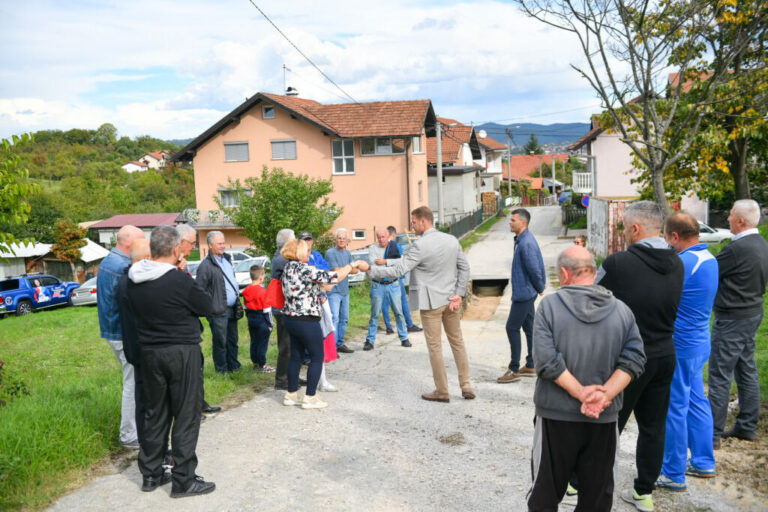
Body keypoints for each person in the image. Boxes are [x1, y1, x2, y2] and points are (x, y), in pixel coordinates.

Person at [527, 245, 645, 511]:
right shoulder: (622, 311)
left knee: (545, 493)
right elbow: (635, 359)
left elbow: (546, 361)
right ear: (593, 272)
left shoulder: (549, 307)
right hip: (603, 418)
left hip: (556, 417)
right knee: (596, 497)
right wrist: (604, 395)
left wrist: (582, 393)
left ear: (565, 274)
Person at [597, 201, 684, 512]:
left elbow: (592, 302)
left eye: (624, 226)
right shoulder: (678, 262)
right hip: (664, 354)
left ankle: (583, 482)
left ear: (635, 229)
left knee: (608, 423)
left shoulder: (618, 263)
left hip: (627, 360)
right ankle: (643, 491)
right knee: (653, 425)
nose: (622, 232)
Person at [126, 226, 215, 498]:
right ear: (177, 250)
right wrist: (183, 273)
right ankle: (184, 480)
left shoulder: (132, 279)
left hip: (149, 352)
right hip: (180, 351)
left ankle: (151, 474)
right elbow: (207, 306)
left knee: (155, 413)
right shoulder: (179, 280)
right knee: (186, 414)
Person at [367, 206, 474, 403]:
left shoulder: (420, 245)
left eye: (414, 222)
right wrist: (459, 294)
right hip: (451, 300)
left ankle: (442, 390)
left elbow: (400, 270)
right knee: (457, 342)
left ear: (423, 222)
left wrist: (371, 270)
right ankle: (466, 385)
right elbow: (464, 268)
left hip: (431, 302)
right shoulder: (451, 239)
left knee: (435, 347)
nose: (412, 226)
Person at [656, 212, 718, 492]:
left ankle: (672, 473)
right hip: (700, 341)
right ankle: (704, 461)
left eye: (666, 236)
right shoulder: (710, 258)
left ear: (675, 237)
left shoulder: (682, 262)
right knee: (696, 400)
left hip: (680, 345)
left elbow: (660, 298)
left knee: (675, 408)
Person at [709, 199, 768, 446]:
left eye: (731, 216)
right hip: (753, 311)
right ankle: (746, 425)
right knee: (746, 369)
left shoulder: (737, 249)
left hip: (733, 317)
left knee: (720, 374)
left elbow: (711, 271)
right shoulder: (762, 244)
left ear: (741, 221)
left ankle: (711, 434)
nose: (728, 219)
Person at [279, 239, 361, 409]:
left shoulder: (287, 268)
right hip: (307, 319)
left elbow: (310, 287)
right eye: (307, 251)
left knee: (296, 356)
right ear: (299, 253)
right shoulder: (305, 269)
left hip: (290, 318)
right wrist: (352, 264)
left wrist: (322, 287)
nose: (309, 253)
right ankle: (310, 397)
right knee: (317, 356)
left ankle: (291, 394)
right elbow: (335, 277)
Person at [97, 224, 146, 449]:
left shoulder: (109, 260)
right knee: (132, 383)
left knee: (133, 381)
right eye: (141, 241)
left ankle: (135, 429)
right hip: (121, 332)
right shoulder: (122, 266)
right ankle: (128, 435)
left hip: (113, 330)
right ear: (130, 243)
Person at [498, 209, 546, 384]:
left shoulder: (525, 243)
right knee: (529, 327)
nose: (509, 222)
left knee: (512, 327)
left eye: (512, 220)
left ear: (522, 223)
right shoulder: (522, 239)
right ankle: (532, 364)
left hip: (524, 293)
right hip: (526, 290)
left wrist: (540, 285)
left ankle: (514, 369)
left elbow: (534, 267)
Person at [177, 224, 221, 415]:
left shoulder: (182, 266)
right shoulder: (173, 268)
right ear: (181, 242)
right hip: (179, 333)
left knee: (197, 369)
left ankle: (200, 403)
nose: (194, 248)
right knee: (186, 375)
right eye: (193, 243)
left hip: (192, 328)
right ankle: (192, 410)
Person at [117, 239, 151, 446]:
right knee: (145, 401)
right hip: (142, 349)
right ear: (147, 258)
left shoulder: (125, 279)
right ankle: (148, 446)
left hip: (136, 347)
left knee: (143, 399)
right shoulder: (135, 282)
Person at [196, 231, 241, 374]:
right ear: (210, 245)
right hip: (217, 309)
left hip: (232, 307)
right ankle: (221, 370)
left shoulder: (226, 260)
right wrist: (209, 306)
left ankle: (234, 366)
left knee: (232, 340)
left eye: (223, 243)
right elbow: (199, 289)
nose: (223, 246)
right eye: (219, 243)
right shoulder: (206, 265)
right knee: (220, 342)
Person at [364, 228, 411, 350]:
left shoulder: (394, 246)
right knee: (375, 314)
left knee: (398, 312)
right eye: (379, 237)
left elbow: (400, 263)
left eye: (383, 237)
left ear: (388, 236)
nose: (381, 239)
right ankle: (370, 340)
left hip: (393, 284)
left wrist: (385, 261)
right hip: (377, 285)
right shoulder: (373, 249)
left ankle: (404, 337)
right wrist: (391, 269)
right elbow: (373, 269)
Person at [381, 225, 423, 334]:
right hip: (395, 277)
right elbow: (400, 262)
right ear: (393, 234)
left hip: (382, 278)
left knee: (385, 303)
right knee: (403, 300)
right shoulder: (396, 245)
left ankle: (388, 327)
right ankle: (409, 324)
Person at [324, 228, 356, 354]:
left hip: (344, 290)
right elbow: (337, 271)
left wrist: (348, 269)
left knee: (344, 318)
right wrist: (349, 268)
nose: (341, 240)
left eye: (344, 238)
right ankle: (332, 348)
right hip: (333, 291)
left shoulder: (348, 253)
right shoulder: (330, 253)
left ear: (347, 240)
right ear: (335, 239)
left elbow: (356, 270)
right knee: (334, 319)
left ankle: (340, 343)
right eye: (339, 238)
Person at [271, 228, 296, 390]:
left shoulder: (282, 257)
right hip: (282, 308)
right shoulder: (282, 259)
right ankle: (281, 380)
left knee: (292, 345)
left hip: (286, 307)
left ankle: (291, 376)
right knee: (286, 346)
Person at [242, 264, 274, 373]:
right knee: (262, 343)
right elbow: (267, 311)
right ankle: (263, 364)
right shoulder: (263, 292)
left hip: (251, 319)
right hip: (262, 320)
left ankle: (255, 363)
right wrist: (270, 325)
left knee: (254, 341)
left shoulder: (246, 290)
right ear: (261, 277)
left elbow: (245, 307)